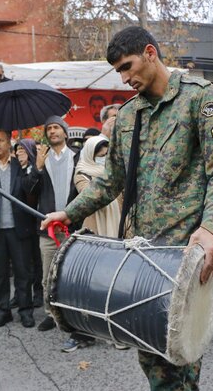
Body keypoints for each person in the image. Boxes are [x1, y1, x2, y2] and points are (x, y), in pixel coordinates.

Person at [42, 26, 213, 390]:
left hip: (186, 253)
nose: (124, 77)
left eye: (128, 66)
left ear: (151, 53)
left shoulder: (201, 98)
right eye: (118, 71)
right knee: (151, 358)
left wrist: (212, 228)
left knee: (182, 358)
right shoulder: (129, 116)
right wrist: (71, 212)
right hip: (143, 254)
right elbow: (110, 180)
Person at [61, 135, 127, 353]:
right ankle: (85, 332)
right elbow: (91, 196)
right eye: (100, 154)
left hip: (118, 231)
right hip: (96, 234)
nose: (104, 158)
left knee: (117, 283)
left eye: (107, 154)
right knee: (92, 284)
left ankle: (117, 332)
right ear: (90, 153)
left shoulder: (117, 174)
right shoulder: (81, 173)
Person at [23, 115, 80, 332]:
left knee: (73, 274)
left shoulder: (78, 156)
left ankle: (72, 313)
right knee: (47, 274)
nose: (52, 132)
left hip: (74, 226)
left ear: (65, 132)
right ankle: (50, 314)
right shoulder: (41, 158)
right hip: (48, 228)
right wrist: (36, 167)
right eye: (49, 129)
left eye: (57, 128)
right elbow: (28, 190)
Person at [0, 130, 35, 329]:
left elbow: (30, 189)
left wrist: (27, 166)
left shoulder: (19, 166)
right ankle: (3, 310)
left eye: (0, 141)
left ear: (9, 143)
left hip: (18, 226)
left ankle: (25, 310)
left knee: (23, 272)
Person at [15, 139, 43, 307]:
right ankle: (20, 294)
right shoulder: (16, 170)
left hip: (37, 220)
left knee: (37, 260)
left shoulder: (37, 169)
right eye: (17, 150)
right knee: (24, 262)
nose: (19, 153)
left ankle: (38, 293)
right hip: (22, 222)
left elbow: (30, 188)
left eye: (22, 150)